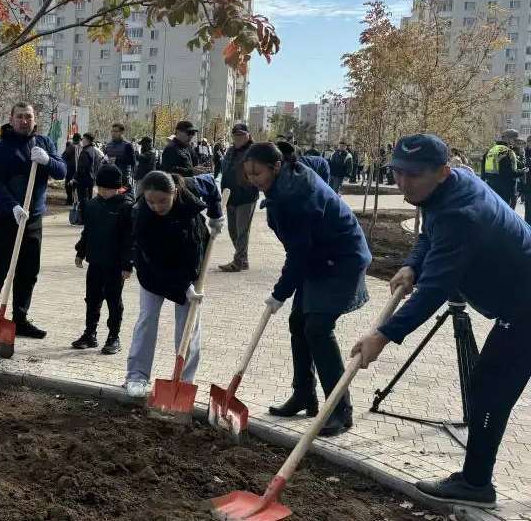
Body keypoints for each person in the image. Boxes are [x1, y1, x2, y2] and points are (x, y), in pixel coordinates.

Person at [350, 134, 531, 508]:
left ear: (442, 172)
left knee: (488, 386)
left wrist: (382, 336)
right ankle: (475, 480)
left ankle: (476, 484)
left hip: (525, 307)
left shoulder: (461, 214)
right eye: (397, 172)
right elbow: (430, 232)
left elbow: (434, 291)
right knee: (488, 385)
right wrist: (411, 265)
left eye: (413, 175)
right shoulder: (448, 188)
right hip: (519, 302)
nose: (402, 182)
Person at [243, 141, 371, 437]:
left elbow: (298, 254)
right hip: (318, 258)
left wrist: (279, 293)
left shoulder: (295, 195)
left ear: (275, 167)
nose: (252, 179)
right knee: (298, 322)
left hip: (341, 260)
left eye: (257, 173)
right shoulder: (286, 179)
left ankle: (340, 411)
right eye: (248, 173)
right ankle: (304, 395)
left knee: (317, 328)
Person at [122, 170, 224, 398]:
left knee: (189, 324)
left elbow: (211, 184)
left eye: (163, 201)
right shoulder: (142, 217)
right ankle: (136, 375)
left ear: (175, 192)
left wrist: (216, 216)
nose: (157, 206)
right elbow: (156, 263)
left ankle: (184, 381)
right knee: (147, 318)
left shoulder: (191, 186)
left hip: (192, 266)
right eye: (151, 201)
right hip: (154, 273)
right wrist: (183, 286)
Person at [0, 101, 66, 341]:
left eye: (29, 116)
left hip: (33, 219)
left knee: (28, 271)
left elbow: (62, 172)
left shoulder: (44, 143)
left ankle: (20, 319)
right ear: (12, 119)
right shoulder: (1, 147)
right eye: (20, 116)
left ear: (35, 119)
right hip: (7, 218)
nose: (25, 121)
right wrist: (12, 205)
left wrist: (48, 161)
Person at [72, 165, 135, 355]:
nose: (103, 192)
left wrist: (127, 264)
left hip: (115, 265)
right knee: (92, 298)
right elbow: (87, 232)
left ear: (118, 188)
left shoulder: (126, 207)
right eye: (100, 188)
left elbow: (130, 239)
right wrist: (81, 251)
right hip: (96, 262)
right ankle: (90, 333)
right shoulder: (92, 205)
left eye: (107, 189)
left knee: (114, 301)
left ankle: (113, 336)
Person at [218, 123, 258, 273]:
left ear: (247, 135)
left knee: (242, 231)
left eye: (241, 135)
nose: (238, 138)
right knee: (232, 230)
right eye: (235, 135)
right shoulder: (230, 150)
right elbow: (226, 170)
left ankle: (238, 261)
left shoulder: (253, 151)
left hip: (247, 196)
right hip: (230, 195)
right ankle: (243, 260)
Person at [481, 129, 521, 209]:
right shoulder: (508, 152)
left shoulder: (490, 151)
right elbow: (510, 173)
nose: (516, 142)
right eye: (515, 139)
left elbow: (483, 172)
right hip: (507, 191)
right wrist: (523, 172)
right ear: (509, 139)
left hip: (491, 189)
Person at [73, 133, 103, 222]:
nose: (82, 141)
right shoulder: (95, 151)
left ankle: (83, 218)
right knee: (90, 198)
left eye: (83, 139)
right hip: (92, 179)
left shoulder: (85, 152)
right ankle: (90, 218)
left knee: (83, 200)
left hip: (83, 180)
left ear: (87, 140)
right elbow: (98, 165)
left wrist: (75, 178)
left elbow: (82, 168)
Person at [63, 133, 80, 205]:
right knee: (76, 185)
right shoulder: (81, 147)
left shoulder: (71, 147)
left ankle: (70, 200)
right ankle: (74, 200)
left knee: (69, 184)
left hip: (71, 169)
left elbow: (64, 156)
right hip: (79, 169)